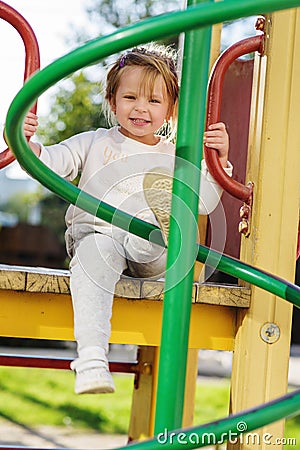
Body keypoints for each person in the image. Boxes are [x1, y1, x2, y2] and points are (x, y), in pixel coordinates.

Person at [23, 43, 232, 395]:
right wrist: (27, 142)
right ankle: (91, 361)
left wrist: (218, 160)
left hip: (150, 249)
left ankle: (157, 221)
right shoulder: (94, 142)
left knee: (155, 234)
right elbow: (49, 163)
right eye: (131, 97)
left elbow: (206, 202)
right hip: (97, 236)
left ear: (170, 108)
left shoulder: (174, 154)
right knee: (95, 254)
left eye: (154, 100)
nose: (141, 108)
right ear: (112, 100)